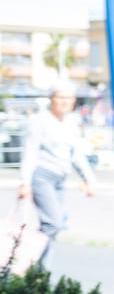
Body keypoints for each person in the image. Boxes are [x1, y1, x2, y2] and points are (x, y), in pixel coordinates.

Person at [16, 83, 95, 269]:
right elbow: (30, 151)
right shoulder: (39, 120)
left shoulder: (70, 122)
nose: (64, 102)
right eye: (60, 97)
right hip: (42, 176)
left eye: (68, 98)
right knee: (53, 224)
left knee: (51, 228)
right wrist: (24, 182)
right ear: (51, 99)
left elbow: (76, 154)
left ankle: (40, 274)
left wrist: (88, 179)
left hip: (60, 178)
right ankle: (35, 269)